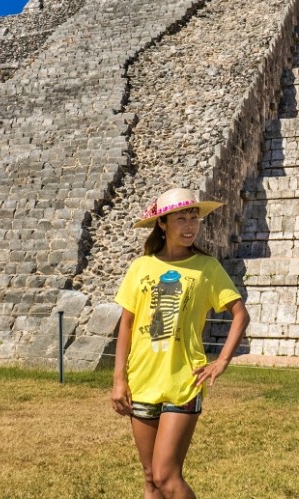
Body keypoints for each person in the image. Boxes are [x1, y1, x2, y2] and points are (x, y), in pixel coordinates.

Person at [111, 187, 250, 499]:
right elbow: (127, 325)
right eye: (181, 219)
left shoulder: (206, 268)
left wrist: (222, 361)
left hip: (183, 382)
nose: (190, 226)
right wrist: (119, 379)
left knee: (166, 476)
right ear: (162, 223)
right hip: (142, 381)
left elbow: (240, 314)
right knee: (150, 480)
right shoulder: (141, 267)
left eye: (194, 218)